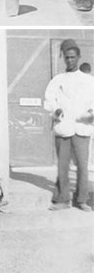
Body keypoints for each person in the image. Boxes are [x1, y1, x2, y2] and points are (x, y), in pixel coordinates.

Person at [44, 39, 94, 212]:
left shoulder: (88, 80)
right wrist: (55, 110)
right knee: (63, 165)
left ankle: (82, 200)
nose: (70, 60)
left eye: (73, 57)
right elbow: (49, 100)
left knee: (82, 165)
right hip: (63, 127)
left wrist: (91, 113)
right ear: (63, 58)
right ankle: (62, 199)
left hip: (81, 126)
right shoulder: (58, 80)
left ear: (79, 57)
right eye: (67, 57)